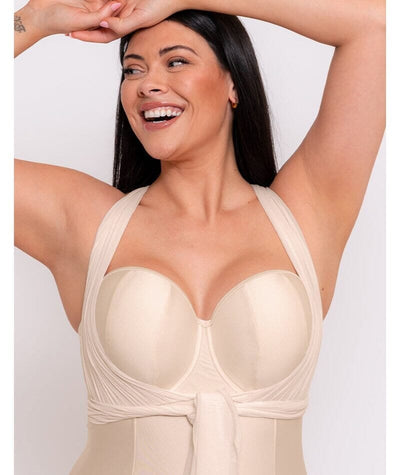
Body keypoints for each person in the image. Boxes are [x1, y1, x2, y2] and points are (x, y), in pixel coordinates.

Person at [14, 0, 385, 473]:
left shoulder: (306, 214)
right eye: (132, 69)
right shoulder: (85, 223)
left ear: (234, 84)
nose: (147, 84)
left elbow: (377, 28)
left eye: (176, 61)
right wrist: (34, 19)